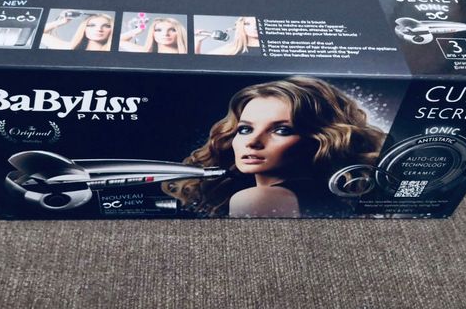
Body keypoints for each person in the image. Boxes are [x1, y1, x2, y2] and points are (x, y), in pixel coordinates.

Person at [164, 77, 386, 218]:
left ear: (320, 140)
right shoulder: (332, 196)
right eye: (245, 129)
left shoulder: (258, 198)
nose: (253, 141)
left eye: (281, 130)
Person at [41, 11, 113, 51]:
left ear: (112, 29)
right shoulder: (69, 47)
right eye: (92, 25)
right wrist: (60, 22)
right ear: (84, 29)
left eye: (106, 26)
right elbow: (39, 33)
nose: (99, 29)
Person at [195, 16, 260, 55]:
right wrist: (198, 41)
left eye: (257, 23)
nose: (255, 27)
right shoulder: (233, 48)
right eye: (247, 24)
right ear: (241, 26)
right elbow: (198, 62)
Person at [120, 17, 188, 54]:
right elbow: (119, 41)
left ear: (180, 33)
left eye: (172, 30)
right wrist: (138, 30)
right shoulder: (145, 52)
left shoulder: (188, 54)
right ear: (152, 33)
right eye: (158, 30)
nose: (165, 34)